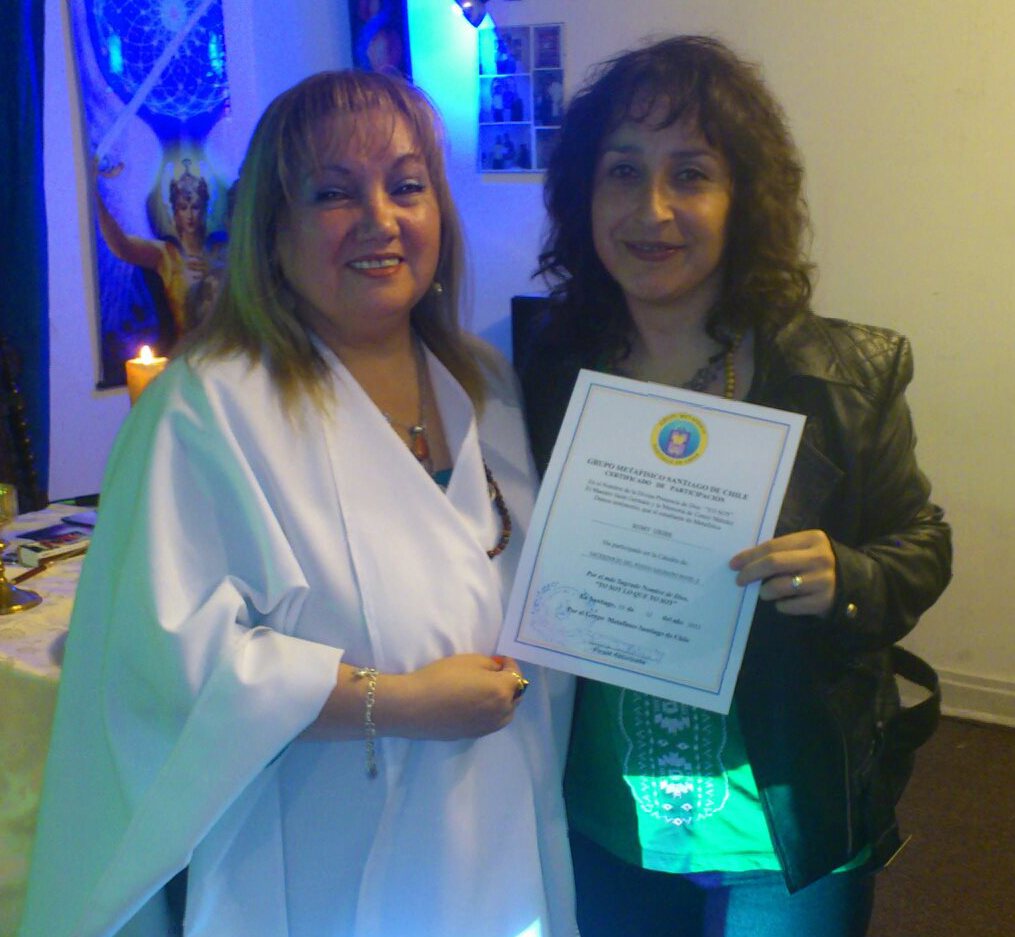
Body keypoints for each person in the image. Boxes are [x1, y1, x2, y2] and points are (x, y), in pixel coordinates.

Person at [19, 70, 576, 937]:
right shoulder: (207, 408)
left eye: (406, 186)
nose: (379, 220)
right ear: (271, 232)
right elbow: (163, 668)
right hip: (314, 854)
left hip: (495, 836)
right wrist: (395, 701)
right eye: (333, 193)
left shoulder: (485, 382)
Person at [521, 35, 952, 937]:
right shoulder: (541, 373)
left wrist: (846, 575)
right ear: (582, 195)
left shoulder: (843, 374)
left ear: (742, 198)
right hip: (607, 818)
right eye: (622, 171)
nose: (652, 209)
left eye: (690, 174)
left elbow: (920, 544)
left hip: (782, 822)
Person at [95, 157, 227, 338]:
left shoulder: (222, 250)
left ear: (205, 209)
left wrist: (218, 272)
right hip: (182, 347)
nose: (190, 215)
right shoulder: (166, 254)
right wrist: (94, 195)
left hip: (223, 344)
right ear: (175, 212)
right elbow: (121, 246)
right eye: (183, 207)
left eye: (195, 207)